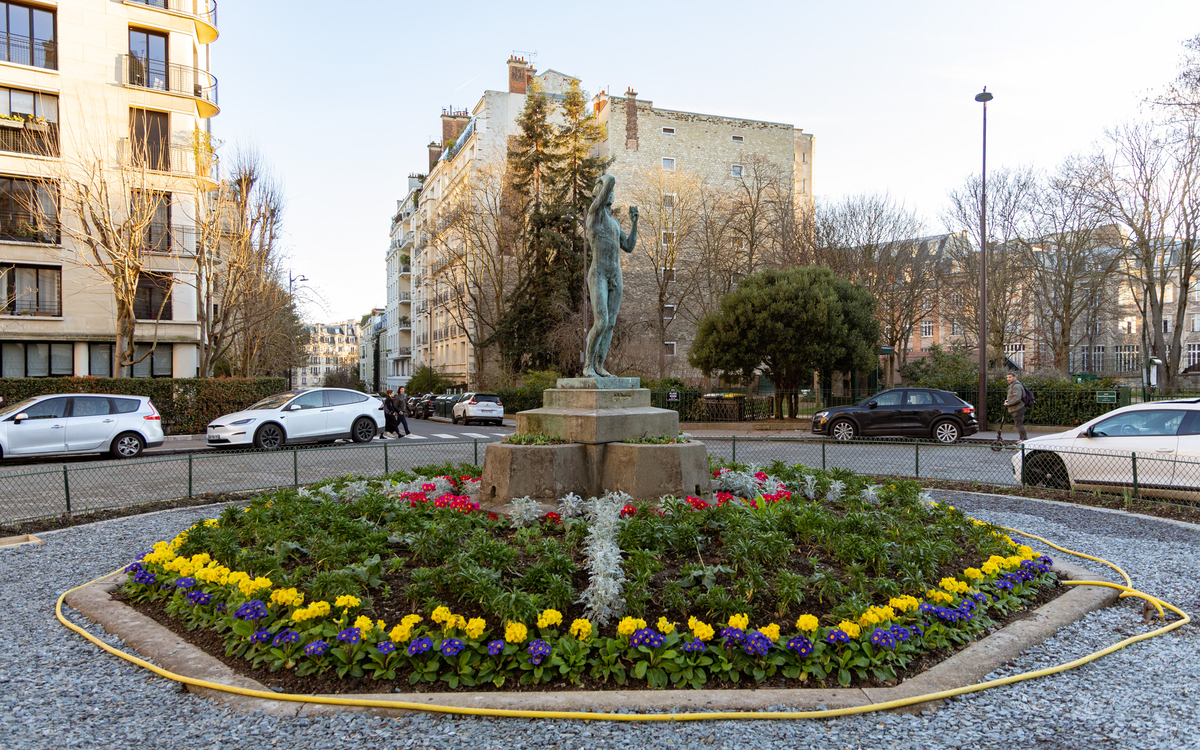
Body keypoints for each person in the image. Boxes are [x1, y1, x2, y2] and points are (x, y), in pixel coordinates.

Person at [1004, 372, 1028, 442]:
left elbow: (1017, 398)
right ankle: (1022, 439)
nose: (1008, 379)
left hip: (1018, 408)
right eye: (1007, 377)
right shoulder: (1013, 385)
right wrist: (1008, 401)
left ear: (1014, 378)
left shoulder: (1016, 386)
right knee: (1018, 424)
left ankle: (1023, 439)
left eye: (1010, 377)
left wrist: (1009, 403)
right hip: (1015, 408)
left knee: (1019, 424)